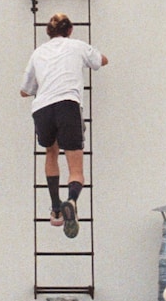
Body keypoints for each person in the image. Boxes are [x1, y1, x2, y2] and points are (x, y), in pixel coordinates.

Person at [20, 12, 107, 236]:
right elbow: (102, 60)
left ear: (49, 32)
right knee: (76, 166)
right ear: (69, 30)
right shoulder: (77, 46)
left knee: (51, 152)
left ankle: (56, 208)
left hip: (42, 108)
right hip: (67, 104)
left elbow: (24, 90)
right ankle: (72, 200)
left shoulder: (37, 53)